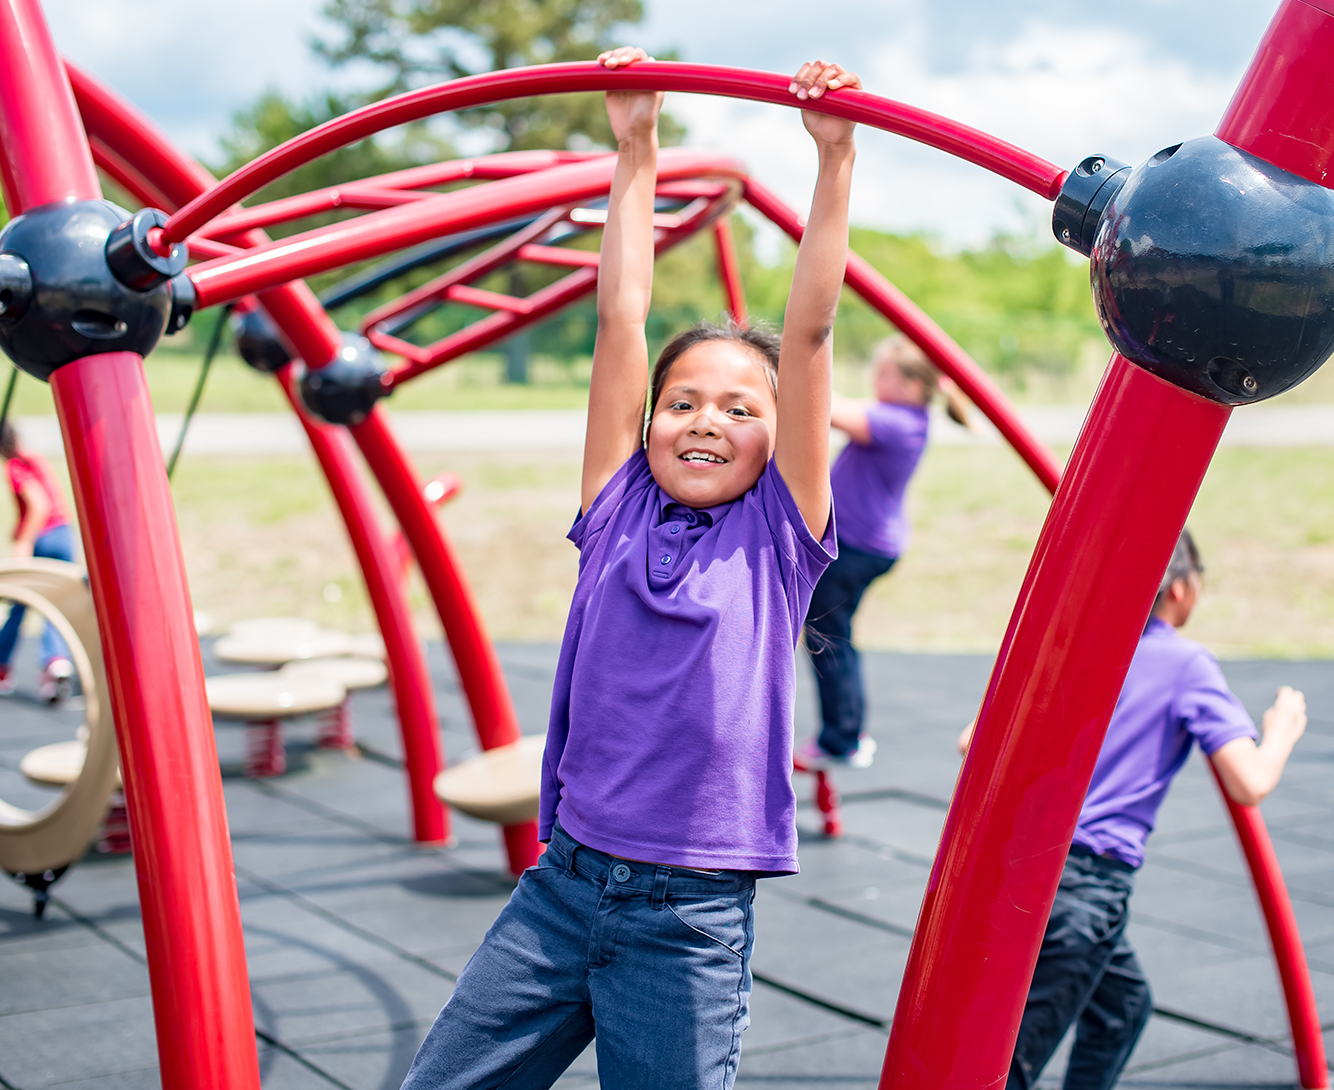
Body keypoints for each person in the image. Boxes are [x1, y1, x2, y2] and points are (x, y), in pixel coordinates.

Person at [401, 49, 858, 1090]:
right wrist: (635, 147)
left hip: (687, 914)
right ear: (650, 421)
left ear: (782, 435)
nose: (707, 420)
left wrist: (831, 159)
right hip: (562, 887)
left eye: (741, 408)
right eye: (685, 400)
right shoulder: (613, 509)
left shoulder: (777, 536)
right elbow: (618, 317)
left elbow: (811, 326)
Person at [960, 529, 1308, 1090]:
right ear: (1181, 589)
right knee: (1008, 1068)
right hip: (1089, 885)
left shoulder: (1076, 644)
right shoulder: (1186, 663)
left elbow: (971, 742)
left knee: (1124, 1006)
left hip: (1025, 868)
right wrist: (1281, 731)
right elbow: (1250, 782)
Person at [797, 336, 971, 768]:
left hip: (858, 547)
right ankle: (848, 730)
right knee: (832, 634)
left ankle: (843, 738)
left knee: (826, 636)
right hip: (864, 543)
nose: (876, 381)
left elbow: (826, 407)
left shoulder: (900, 422)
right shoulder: (899, 416)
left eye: (885, 374)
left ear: (914, 386)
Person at [0, 420, 76, 702]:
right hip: (64, 534)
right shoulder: (36, 459)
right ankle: (56, 662)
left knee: (19, 603)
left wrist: (24, 542)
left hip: (43, 538)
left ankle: (2, 667)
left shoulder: (15, 468)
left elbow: (39, 504)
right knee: (55, 604)